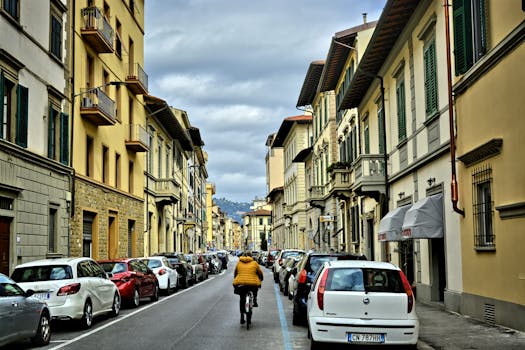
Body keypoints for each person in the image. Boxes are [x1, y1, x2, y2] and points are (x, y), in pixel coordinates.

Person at [232, 250, 263, 324]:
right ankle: (255, 300)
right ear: (251, 256)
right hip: (252, 284)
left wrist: (236, 279)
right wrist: (261, 278)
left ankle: (242, 316)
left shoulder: (239, 263)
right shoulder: (254, 263)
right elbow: (260, 273)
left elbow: (235, 273)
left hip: (241, 284)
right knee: (256, 287)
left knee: (242, 298)